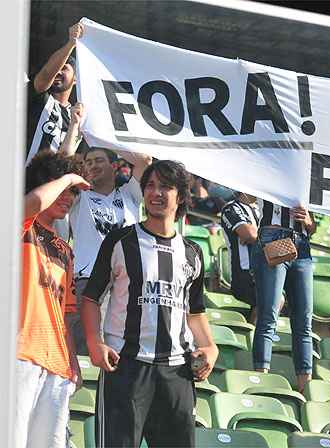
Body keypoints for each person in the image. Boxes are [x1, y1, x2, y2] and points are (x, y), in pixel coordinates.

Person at [80, 160, 218, 447]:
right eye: (150, 186)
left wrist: (211, 347)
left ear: (180, 196)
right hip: (126, 369)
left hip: (177, 373)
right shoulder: (120, 242)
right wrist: (95, 342)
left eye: (165, 187)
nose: (156, 193)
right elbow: (91, 297)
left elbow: (195, 312)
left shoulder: (192, 253)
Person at [17, 150, 89, 448]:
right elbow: (32, 203)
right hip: (19, 354)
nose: (68, 195)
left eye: (73, 192)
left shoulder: (65, 249)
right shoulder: (20, 225)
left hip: (57, 364)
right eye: (61, 187)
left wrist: (72, 361)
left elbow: (65, 314)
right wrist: (69, 177)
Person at [65, 146, 151, 354]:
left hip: (127, 281)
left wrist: (110, 141)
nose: (93, 165)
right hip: (87, 281)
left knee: (121, 347)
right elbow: (63, 169)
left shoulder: (130, 193)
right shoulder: (78, 196)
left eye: (99, 160)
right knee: (84, 350)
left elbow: (144, 160)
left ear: (114, 166)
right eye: (89, 162)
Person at [252, 198, 316, 392]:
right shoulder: (270, 168)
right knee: (269, 314)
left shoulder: (307, 179)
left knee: (304, 320)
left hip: (302, 244)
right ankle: (261, 382)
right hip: (272, 235)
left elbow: (313, 228)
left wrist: (307, 221)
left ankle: (305, 389)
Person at [27, 22, 84, 164]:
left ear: (76, 78)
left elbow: (67, 158)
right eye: (56, 67)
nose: (58, 72)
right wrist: (71, 43)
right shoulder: (38, 96)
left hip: (52, 185)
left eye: (64, 68)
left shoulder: (78, 117)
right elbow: (46, 74)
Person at [220, 192, 260, 319]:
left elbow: (253, 235)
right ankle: (255, 336)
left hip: (264, 269)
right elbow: (249, 234)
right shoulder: (231, 208)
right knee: (272, 299)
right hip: (244, 274)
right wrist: (252, 235)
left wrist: (255, 235)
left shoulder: (262, 210)